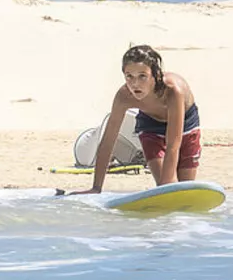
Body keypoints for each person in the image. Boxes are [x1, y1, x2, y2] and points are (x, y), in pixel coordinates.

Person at [69, 45, 202, 195]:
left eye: (142, 76)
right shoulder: (124, 96)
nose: (135, 84)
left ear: (155, 75)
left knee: (184, 190)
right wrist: (96, 188)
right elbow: (108, 141)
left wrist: (167, 186)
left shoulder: (171, 91)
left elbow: (173, 145)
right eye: (129, 76)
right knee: (165, 186)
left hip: (185, 121)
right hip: (150, 123)